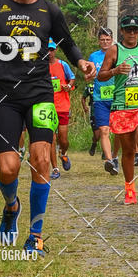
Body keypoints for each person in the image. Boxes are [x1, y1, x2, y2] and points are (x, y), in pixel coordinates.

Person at [0, 0, 95, 257]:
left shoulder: (49, 10)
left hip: (40, 93)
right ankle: (11, 206)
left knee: (41, 160)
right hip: (5, 96)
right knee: (8, 168)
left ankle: (35, 236)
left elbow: (66, 42)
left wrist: (80, 62)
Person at [98, 12, 138, 204]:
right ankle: (129, 189)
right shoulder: (114, 51)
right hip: (122, 106)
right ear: (122, 31)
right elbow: (101, 75)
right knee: (128, 150)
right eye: (128, 29)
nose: (132, 33)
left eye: (135, 30)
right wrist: (115, 70)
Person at [88, 27, 120, 175]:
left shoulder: (118, 53)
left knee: (119, 131)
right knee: (103, 130)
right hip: (100, 98)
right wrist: (88, 76)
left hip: (117, 97)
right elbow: (89, 74)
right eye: (102, 40)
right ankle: (109, 161)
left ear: (112, 40)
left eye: (108, 40)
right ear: (98, 41)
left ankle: (115, 155)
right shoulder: (93, 56)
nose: (105, 42)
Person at [48, 38, 76, 178]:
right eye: (47, 49)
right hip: (47, 107)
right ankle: (55, 169)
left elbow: (72, 78)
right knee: (51, 139)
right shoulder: (40, 66)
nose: (49, 52)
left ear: (56, 50)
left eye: (51, 49)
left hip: (62, 106)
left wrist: (68, 86)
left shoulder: (62, 65)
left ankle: (63, 153)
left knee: (63, 139)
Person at [81, 80, 100, 155]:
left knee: (104, 131)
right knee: (97, 135)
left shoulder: (107, 83)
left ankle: (105, 152)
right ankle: (94, 144)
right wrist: (85, 107)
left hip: (105, 111)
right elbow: (83, 98)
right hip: (94, 112)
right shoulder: (90, 86)